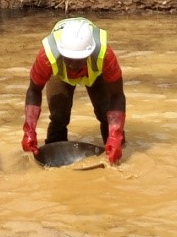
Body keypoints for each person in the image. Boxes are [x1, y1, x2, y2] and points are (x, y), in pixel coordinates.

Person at [21, 17, 126, 165]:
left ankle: (115, 156)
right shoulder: (47, 55)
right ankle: (53, 160)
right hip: (60, 76)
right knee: (59, 117)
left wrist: (115, 137)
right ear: (62, 52)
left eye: (79, 59)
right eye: (69, 59)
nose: (73, 65)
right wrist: (29, 130)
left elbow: (117, 95)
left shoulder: (105, 55)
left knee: (105, 113)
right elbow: (34, 90)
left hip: (95, 75)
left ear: (89, 54)